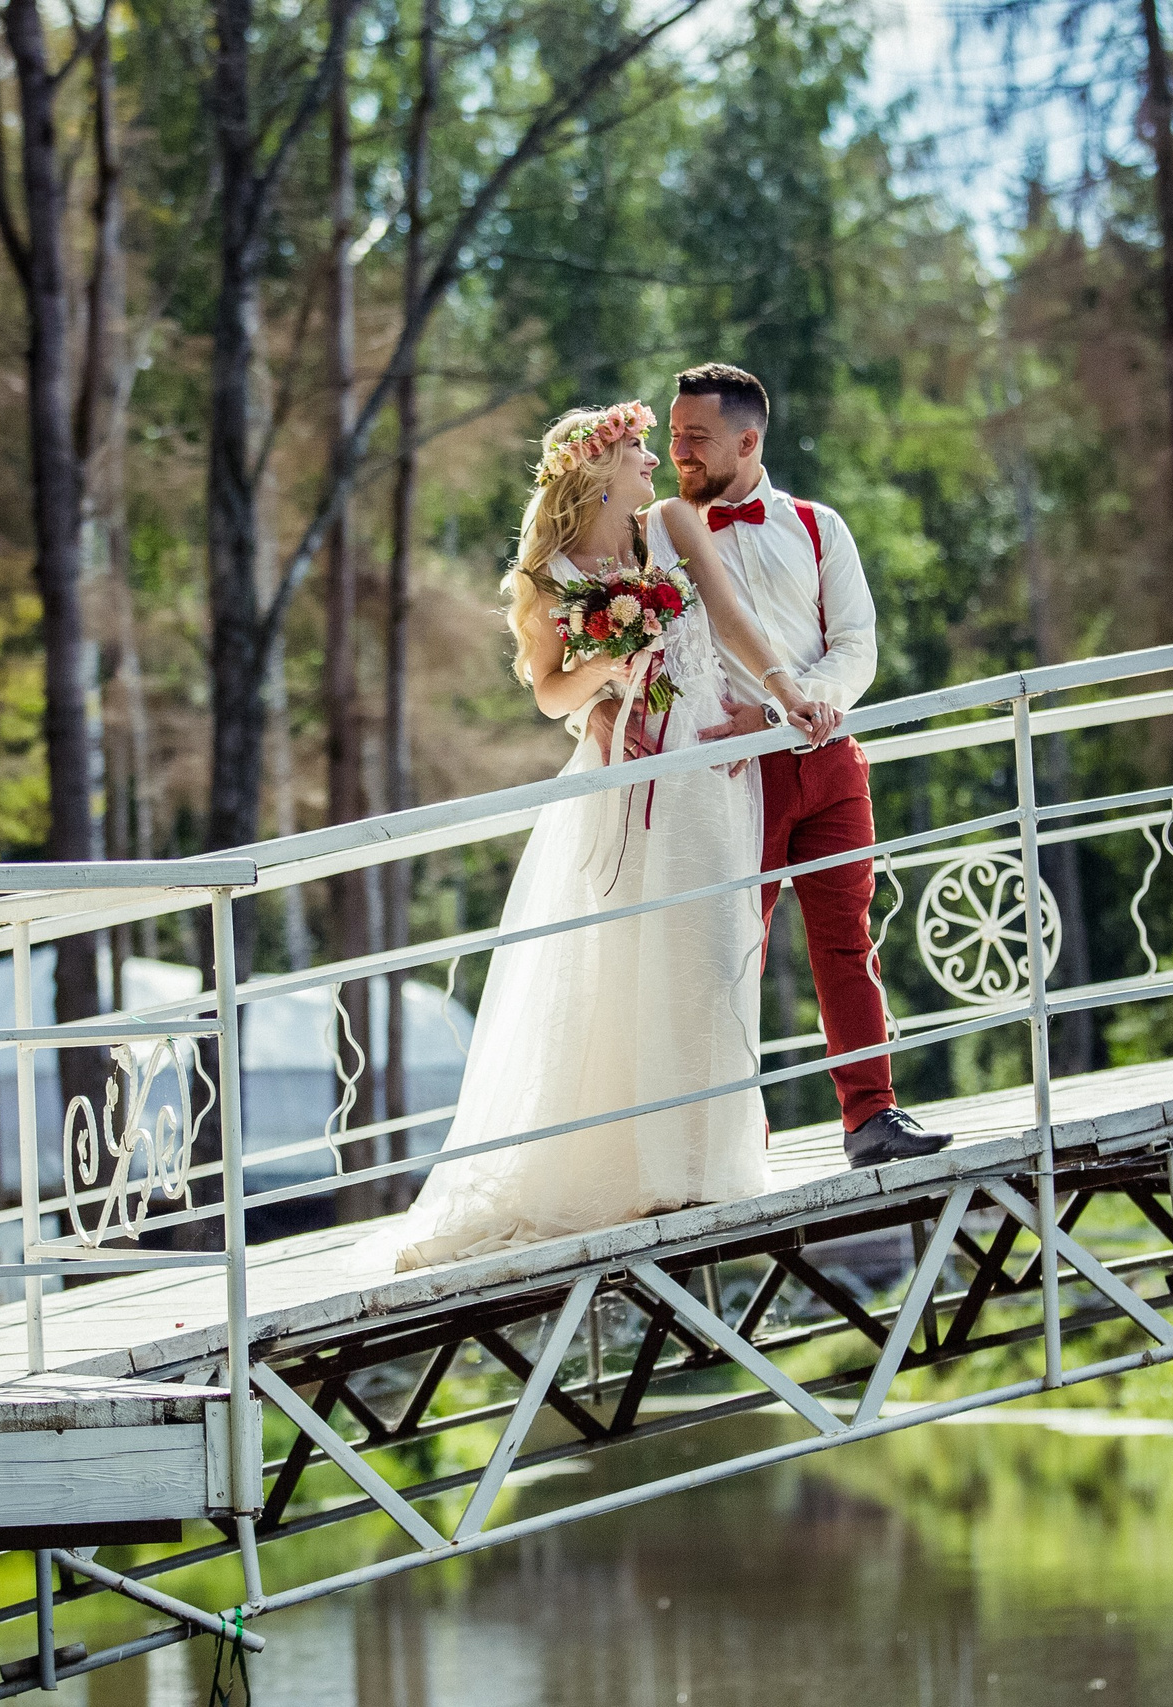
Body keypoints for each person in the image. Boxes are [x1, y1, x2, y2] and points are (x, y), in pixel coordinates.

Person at [391, 401, 842, 1271]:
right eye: (639, 448)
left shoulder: (671, 524)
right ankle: (634, 1170)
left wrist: (786, 688)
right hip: (619, 782)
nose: (655, 460)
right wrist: (613, 661)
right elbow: (552, 693)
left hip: (703, 768)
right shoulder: (549, 570)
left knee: (712, 954)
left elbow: (732, 615)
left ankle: (707, 1165)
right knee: (622, 964)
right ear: (596, 469)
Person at [590, 363, 953, 1168]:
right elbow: (607, 645)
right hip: (722, 778)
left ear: (748, 441)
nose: (676, 450)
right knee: (724, 952)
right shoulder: (652, 533)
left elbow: (856, 645)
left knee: (847, 943)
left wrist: (799, 708)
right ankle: (727, 1145)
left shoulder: (820, 526)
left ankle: (872, 1119)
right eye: (674, 435)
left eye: (695, 438)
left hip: (826, 766)